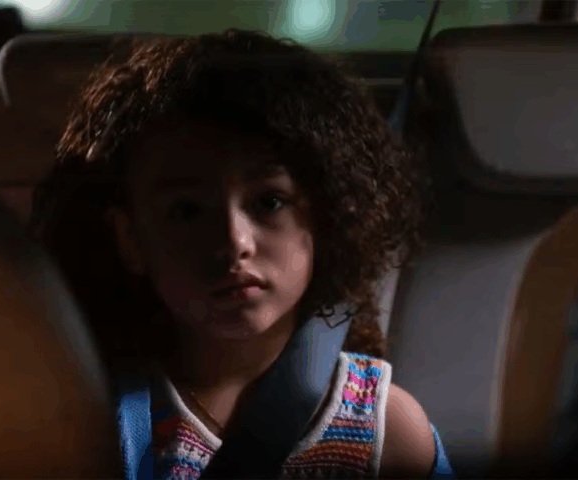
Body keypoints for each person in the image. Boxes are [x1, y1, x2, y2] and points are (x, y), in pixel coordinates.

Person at [29, 29, 452, 479]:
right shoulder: (93, 425)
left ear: (328, 215)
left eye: (269, 201)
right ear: (130, 239)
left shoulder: (388, 431)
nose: (235, 242)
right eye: (188, 211)